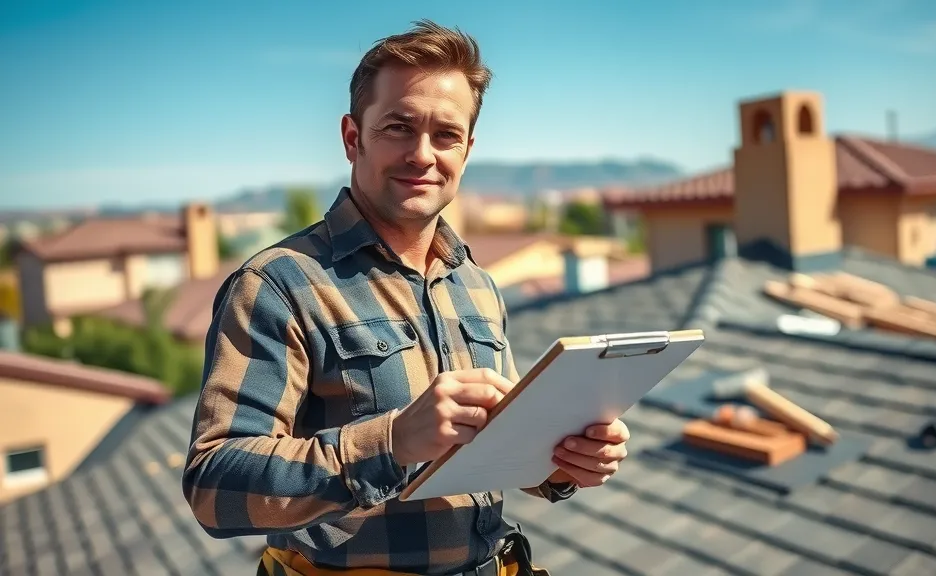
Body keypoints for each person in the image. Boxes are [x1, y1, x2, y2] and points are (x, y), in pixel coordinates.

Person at [181, 19, 631, 576]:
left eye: (446, 134)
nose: (423, 155)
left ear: (467, 149)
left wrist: (562, 463)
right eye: (399, 127)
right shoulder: (279, 285)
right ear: (353, 137)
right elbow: (213, 484)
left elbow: (497, 449)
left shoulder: (478, 286)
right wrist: (392, 441)